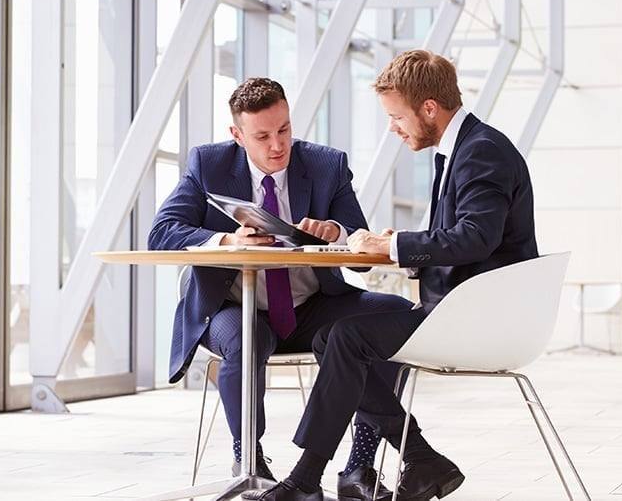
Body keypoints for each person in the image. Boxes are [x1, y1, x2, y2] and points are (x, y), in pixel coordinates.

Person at [257, 50, 538, 501]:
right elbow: (464, 236)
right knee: (333, 338)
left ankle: (309, 478)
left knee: (345, 338)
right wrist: (396, 243)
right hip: (466, 310)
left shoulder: (481, 151)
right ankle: (419, 460)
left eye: (396, 117)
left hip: (480, 319)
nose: (393, 128)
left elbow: (476, 238)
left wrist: (393, 246)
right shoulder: (465, 148)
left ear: (429, 108)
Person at [149, 78, 441, 499]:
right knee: (248, 337)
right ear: (237, 135)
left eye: (284, 130)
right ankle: (249, 459)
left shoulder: (325, 165)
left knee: (392, 315)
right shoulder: (208, 164)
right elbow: (162, 231)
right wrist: (228, 240)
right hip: (233, 309)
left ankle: (358, 465)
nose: (277, 145)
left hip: (311, 307)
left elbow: (360, 241)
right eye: (262, 136)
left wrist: (336, 231)